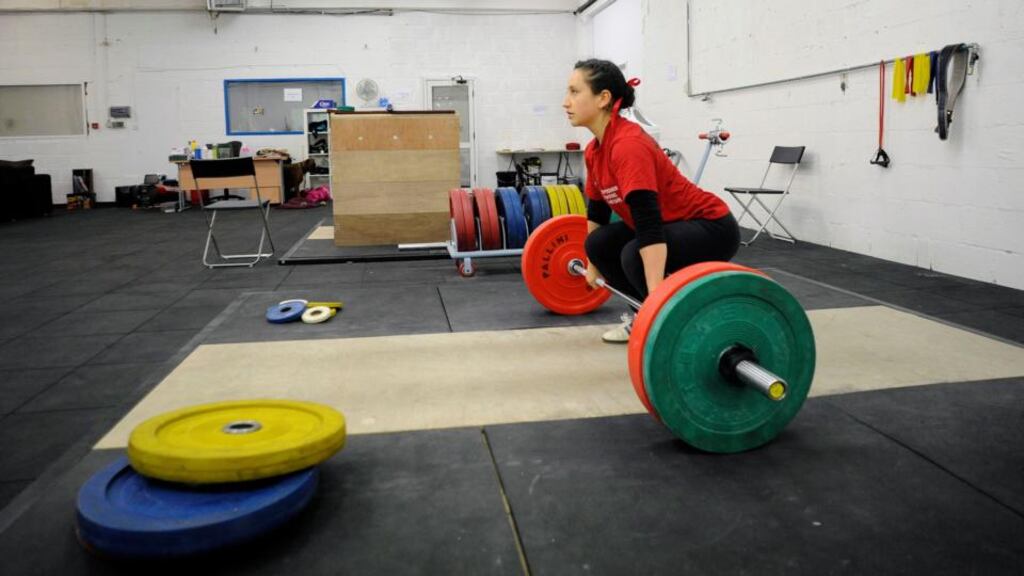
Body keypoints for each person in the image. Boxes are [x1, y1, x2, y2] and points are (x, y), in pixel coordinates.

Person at [563, 59, 741, 343]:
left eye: (574, 92)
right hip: (668, 224)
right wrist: (593, 262)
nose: (566, 102)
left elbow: (647, 221)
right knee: (598, 243)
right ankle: (644, 318)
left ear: (603, 98)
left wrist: (656, 290)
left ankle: (667, 323)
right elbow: (596, 211)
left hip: (711, 226)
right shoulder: (594, 150)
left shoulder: (628, 145)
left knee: (634, 254)